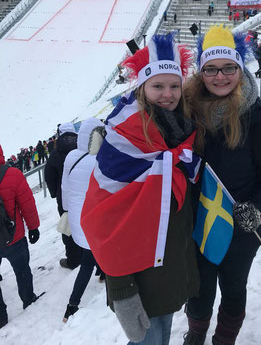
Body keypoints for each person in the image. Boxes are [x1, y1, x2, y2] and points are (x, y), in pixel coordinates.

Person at [81, 33, 201, 345]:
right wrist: (121, 288)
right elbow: (99, 219)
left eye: (174, 85)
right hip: (139, 275)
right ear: (142, 88)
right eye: (158, 86)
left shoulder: (181, 130)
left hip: (168, 268)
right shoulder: (125, 142)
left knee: (162, 337)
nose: (168, 94)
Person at [183, 25, 261, 345]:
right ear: (201, 72)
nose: (220, 77)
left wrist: (259, 209)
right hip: (197, 224)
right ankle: (196, 334)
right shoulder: (186, 113)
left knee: (233, 287)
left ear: (240, 68)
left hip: (242, 228)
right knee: (199, 290)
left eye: (229, 68)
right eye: (211, 69)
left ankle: (224, 339)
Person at [61, 118, 105, 322]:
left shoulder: (71, 156)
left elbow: (65, 188)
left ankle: (73, 304)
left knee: (89, 255)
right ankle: (73, 304)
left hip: (78, 220)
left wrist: (67, 211)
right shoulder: (101, 159)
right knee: (92, 258)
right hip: (95, 220)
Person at [0, 145, 42, 328]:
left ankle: (1, 317)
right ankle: (28, 300)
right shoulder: (13, 175)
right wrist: (33, 227)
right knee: (22, 271)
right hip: (14, 237)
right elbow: (27, 204)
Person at [45, 123, 82, 270]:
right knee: (87, 223)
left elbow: (49, 176)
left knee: (68, 228)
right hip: (85, 193)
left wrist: (55, 193)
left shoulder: (55, 154)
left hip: (65, 199)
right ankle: (90, 254)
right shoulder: (83, 146)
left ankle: (73, 260)